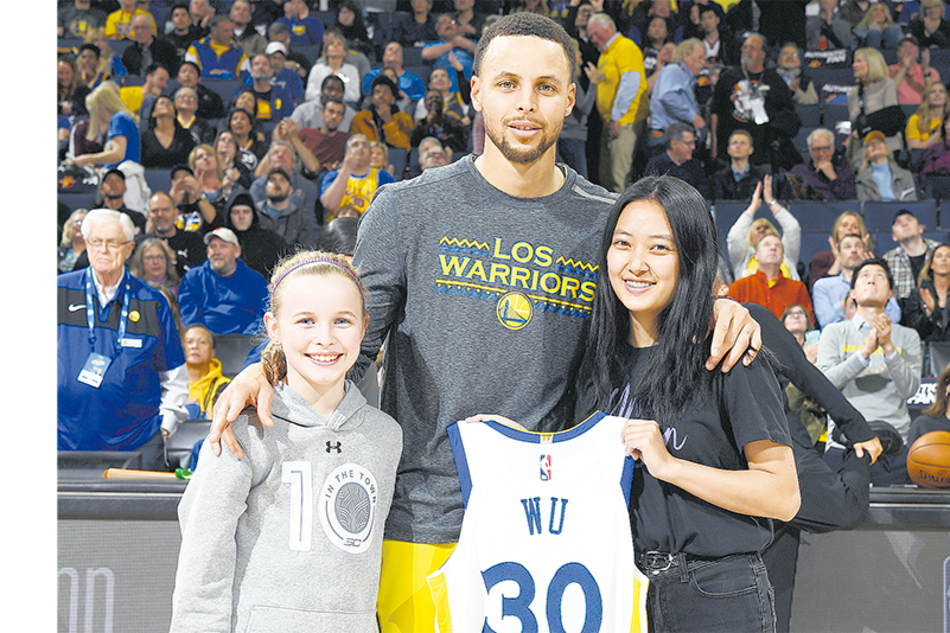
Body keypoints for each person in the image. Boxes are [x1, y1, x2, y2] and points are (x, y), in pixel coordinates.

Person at [208, 15, 762, 633]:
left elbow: (664, 304)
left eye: (546, 87)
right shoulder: (405, 209)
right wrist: (268, 369)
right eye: (507, 84)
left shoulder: (608, 224)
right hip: (427, 524)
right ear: (476, 92)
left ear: (572, 97)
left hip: (561, 529)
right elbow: (347, 346)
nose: (526, 104)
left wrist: (722, 306)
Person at [577, 176, 800, 633]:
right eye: (623, 244)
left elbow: (783, 495)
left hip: (715, 591)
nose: (635, 264)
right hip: (615, 586)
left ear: (690, 259)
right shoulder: (595, 356)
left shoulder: (729, 351)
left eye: (659, 248)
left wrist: (671, 466)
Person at [169, 251, 402, 631]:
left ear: (364, 328)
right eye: (306, 321)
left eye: (342, 321)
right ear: (273, 327)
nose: (324, 338)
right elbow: (203, 554)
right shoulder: (241, 428)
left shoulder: (385, 437)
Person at [55, 208, 188, 471]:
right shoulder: (59, 292)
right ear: (86, 244)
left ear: (128, 249)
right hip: (63, 441)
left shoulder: (153, 301)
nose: (103, 249)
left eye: (112, 242)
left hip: (136, 443)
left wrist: (165, 427)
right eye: (96, 241)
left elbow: (174, 376)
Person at [818, 258, 922, 455]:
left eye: (880, 276)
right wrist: (864, 353)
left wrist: (889, 348)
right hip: (843, 443)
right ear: (853, 293)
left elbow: (909, 389)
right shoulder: (834, 332)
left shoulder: (908, 336)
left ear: (890, 294)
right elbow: (825, 385)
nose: (872, 280)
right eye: (865, 276)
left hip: (894, 442)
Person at [709, 33, 802, 170]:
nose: (746, 51)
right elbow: (715, 113)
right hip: (729, 154)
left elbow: (789, 116)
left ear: (763, 53)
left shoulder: (775, 80)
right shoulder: (727, 77)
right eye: (744, 47)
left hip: (763, 156)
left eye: (752, 47)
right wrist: (714, 148)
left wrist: (779, 139)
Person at [586, 12, 648, 193]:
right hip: (612, 122)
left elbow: (630, 84)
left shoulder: (625, 47)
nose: (593, 39)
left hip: (624, 121)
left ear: (609, 27)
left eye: (596, 34)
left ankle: (623, 219)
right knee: (607, 177)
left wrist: (616, 117)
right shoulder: (606, 53)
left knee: (619, 177)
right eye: (591, 36)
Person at [177, 227, 269, 336]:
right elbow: (188, 314)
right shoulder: (193, 277)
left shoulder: (255, 279)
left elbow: (263, 315)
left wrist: (248, 337)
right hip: (204, 339)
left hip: (245, 341)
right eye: (212, 247)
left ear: (237, 251)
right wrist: (202, 336)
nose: (217, 252)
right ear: (207, 252)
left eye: (223, 246)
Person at [812, 232, 902, 328]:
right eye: (847, 247)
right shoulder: (823, 285)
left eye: (858, 246)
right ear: (838, 254)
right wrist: (844, 304)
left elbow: (895, 317)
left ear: (864, 252)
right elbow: (825, 322)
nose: (854, 250)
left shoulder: (879, 283)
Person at [727, 176, 802, 280]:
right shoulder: (743, 256)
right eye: (758, 228)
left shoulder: (785, 252)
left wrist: (771, 202)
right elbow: (735, 237)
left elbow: (792, 228)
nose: (762, 230)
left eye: (766, 227)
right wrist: (753, 207)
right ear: (750, 237)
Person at [729, 234, 814, 320]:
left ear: (782, 258)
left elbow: (808, 322)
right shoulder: (739, 287)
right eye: (767, 244)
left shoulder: (798, 288)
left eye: (778, 246)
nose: (773, 248)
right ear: (756, 255)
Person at [898, 242, 950, 375]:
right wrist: (929, 313)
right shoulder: (918, 294)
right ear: (931, 265)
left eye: (949, 256)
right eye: (939, 256)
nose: (944, 259)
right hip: (926, 358)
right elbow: (913, 330)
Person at [647, 38, 707, 151]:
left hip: (672, 138)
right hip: (664, 138)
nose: (703, 62)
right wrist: (693, 116)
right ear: (686, 56)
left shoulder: (684, 76)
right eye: (700, 57)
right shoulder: (674, 70)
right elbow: (667, 96)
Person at [847, 48, 902, 170]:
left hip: (886, 145)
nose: (854, 65)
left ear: (872, 63)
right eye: (854, 61)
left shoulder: (887, 85)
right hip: (861, 148)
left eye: (859, 61)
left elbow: (892, 118)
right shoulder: (854, 94)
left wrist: (866, 124)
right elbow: (855, 127)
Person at [319, 134, 395, 220]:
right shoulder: (332, 175)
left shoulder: (383, 177)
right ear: (346, 153)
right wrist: (347, 168)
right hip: (337, 228)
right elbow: (330, 205)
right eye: (355, 145)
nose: (360, 148)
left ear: (370, 154)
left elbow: (387, 212)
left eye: (364, 145)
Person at [71, 82, 141, 169]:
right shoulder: (120, 119)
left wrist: (87, 158)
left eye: (95, 110)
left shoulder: (119, 119)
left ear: (103, 107)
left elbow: (117, 154)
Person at [140, 191, 208, 277]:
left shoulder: (194, 240)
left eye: (166, 210)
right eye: (155, 211)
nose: (160, 214)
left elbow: (201, 275)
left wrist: (175, 258)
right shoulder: (140, 244)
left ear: (176, 213)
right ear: (149, 215)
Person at [224, 190, 289, 278]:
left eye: (246, 212)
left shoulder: (270, 239)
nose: (241, 217)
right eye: (236, 212)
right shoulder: (221, 240)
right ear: (229, 215)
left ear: (253, 214)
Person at [787, 128, 857, 201]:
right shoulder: (798, 171)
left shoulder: (846, 175)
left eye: (825, 148)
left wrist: (833, 178)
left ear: (832, 149)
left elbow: (851, 202)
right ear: (810, 150)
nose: (821, 153)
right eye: (816, 149)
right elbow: (786, 202)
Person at [643, 122, 710, 198]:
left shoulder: (695, 165)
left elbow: (704, 193)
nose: (693, 147)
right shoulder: (656, 165)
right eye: (688, 143)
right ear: (674, 144)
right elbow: (648, 193)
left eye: (693, 143)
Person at [807, 211, 873, 288]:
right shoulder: (821, 258)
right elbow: (822, 288)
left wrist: (866, 262)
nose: (849, 229)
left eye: (855, 227)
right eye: (845, 225)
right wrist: (838, 259)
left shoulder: (871, 257)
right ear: (837, 231)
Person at [255, 167, 317, 249]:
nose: (277, 184)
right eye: (272, 180)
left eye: (282, 181)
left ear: (290, 190)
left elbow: (305, 252)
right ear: (266, 187)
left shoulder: (303, 220)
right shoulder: (253, 214)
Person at [352, 75, 414, 151]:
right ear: (372, 98)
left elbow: (405, 148)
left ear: (392, 99)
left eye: (386, 92)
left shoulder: (404, 119)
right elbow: (354, 147)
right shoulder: (360, 118)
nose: (381, 95)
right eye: (377, 92)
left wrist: (388, 122)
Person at [181, 323, 231, 420]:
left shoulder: (226, 387)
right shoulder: (169, 385)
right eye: (189, 342)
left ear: (212, 352)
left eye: (202, 342)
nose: (194, 346)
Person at [421, 13, 478, 94]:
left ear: (458, 28)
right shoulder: (432, 45)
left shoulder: (470, 43)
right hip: (444, 91)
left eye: (452, 22)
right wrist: (451, 44)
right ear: (438, 30)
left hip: (470, 90)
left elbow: (485, 55)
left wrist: (468, 44)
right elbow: (426, 54)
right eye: (443, 23)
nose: (448, 25)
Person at [856, 130, 919, 202]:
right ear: (867, 156)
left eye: (879, 141)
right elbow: (864, 206)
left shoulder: (905, 176)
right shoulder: (861, 179)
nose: (875, 145)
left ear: (887, 150)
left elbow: (912, 204)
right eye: (870, 144)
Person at [303, 29, 361, 106]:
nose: (335, 46)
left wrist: (336, 95)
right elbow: (309, 95)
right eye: (331, 44)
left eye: (339, 44)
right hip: (319, 105)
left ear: (345, 52)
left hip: (344, 105)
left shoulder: (352, 70)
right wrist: (326, 95)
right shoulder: (317, 69)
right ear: (326, 51)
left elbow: (355, 96)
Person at [710, 129, 770, 201]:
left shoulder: (761, 177)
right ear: (728, 150)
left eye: (743, 143)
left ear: (751, 150)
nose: (738, 146)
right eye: (734, 143)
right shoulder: (717, 178)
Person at [185, 14, 250, 79]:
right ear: (214, 31)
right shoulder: (195, 49)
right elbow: (188, 76)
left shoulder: (240, 53)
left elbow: (246, 80)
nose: (230, 34)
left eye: (231, 30)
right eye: (226, 31)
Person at [140, 94, 196, 169]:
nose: (166, 105)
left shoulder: (185, 135)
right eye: (162, 103)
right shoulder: (144, 137)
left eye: (170, 104)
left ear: (175, 114)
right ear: (153, 113)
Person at [363, 42, 428, 105]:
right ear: (384, 56)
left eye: (397, 50)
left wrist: (407, 97)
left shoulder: (413, 77)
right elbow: (367, 91)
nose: (394, 51)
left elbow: (424, 96)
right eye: (390, 49)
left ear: (402, 58)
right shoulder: (373, 74)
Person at [291, 74, 357, 133]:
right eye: (330, 89)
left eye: (338, 90)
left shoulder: (352, 115)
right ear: (322, 91)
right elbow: (292, 136)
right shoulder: (303, 111)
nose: (334, 93)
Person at [121, 13, 180, 78]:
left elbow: (174, 73)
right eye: (136, 28)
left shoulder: (167, 49)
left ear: (151, 29)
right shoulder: (129, 52)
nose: (140, 31)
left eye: (144, 27)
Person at [297, 98, 350, 168]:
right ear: (322, 114)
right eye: (331, 111)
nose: (334, 116)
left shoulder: (347, 140)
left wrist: (338, 168)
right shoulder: (305, 133)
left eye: (339, 114)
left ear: (342, 120)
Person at [888, 35, 941, 106]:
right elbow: (888, 92)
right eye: (904, 46)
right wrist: (903, 68)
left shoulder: (930, 72)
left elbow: (934, 94)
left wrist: (925, 71)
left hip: (924, 111)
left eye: (912, 47)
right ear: (898, 52)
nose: (908, 50)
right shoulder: (889, 70)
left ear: (917, 53)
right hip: (900, 111)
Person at [906, 82, 950, 150]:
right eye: (933, 92)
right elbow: (914, 150)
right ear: (926, 98)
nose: (937, 94)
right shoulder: (916, 119)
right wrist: (938, 133)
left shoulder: (948, 119)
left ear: (946, 98)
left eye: (941, 91)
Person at [56, 208, 89, 275]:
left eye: (85, 222)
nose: (81, 225)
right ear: (69, 228)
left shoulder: (96, 254)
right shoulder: (57, 252)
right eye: (78, 221)